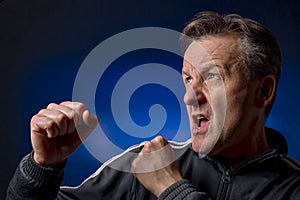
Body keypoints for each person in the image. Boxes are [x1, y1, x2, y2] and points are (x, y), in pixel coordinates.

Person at [6, 11, 300, 200]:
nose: (189, 96)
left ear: (263, 91)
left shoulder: (291, 188)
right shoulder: (144, 162)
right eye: (187, 79)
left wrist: (171, 190)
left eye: (211, 77)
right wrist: (43, 167)